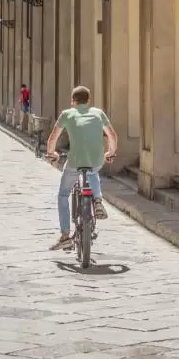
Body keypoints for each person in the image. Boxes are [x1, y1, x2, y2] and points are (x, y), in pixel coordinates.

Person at [45, 86, 119, 251]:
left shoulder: (67, 114)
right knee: (92, 170)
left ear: (73, 101)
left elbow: (52, 139)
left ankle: (65, 236)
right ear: (89, 101)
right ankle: (98, 200)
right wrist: (111, 153)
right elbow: (112, 136)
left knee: (63, 194)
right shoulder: (98, 113)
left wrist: (52, 153)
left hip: (75, 161)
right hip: (96, 159)